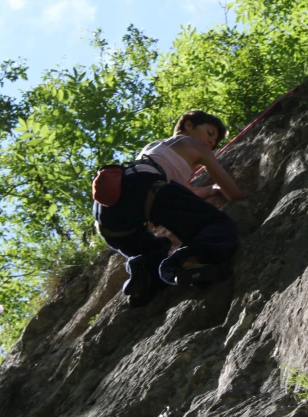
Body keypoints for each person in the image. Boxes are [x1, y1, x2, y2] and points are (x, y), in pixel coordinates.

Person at [92, 110, 244, 307]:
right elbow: (234, 194)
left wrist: (210, 190)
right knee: (218, 224)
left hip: (108, 217)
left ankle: (145, 278)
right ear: (188, 125)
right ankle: (189, 261)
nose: (211, 144)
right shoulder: (194, 145)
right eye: (210, 133)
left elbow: (182, 195)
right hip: (144, 188)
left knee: (152, 250)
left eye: (214, 144)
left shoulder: (153, 149)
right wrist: (227, 190)